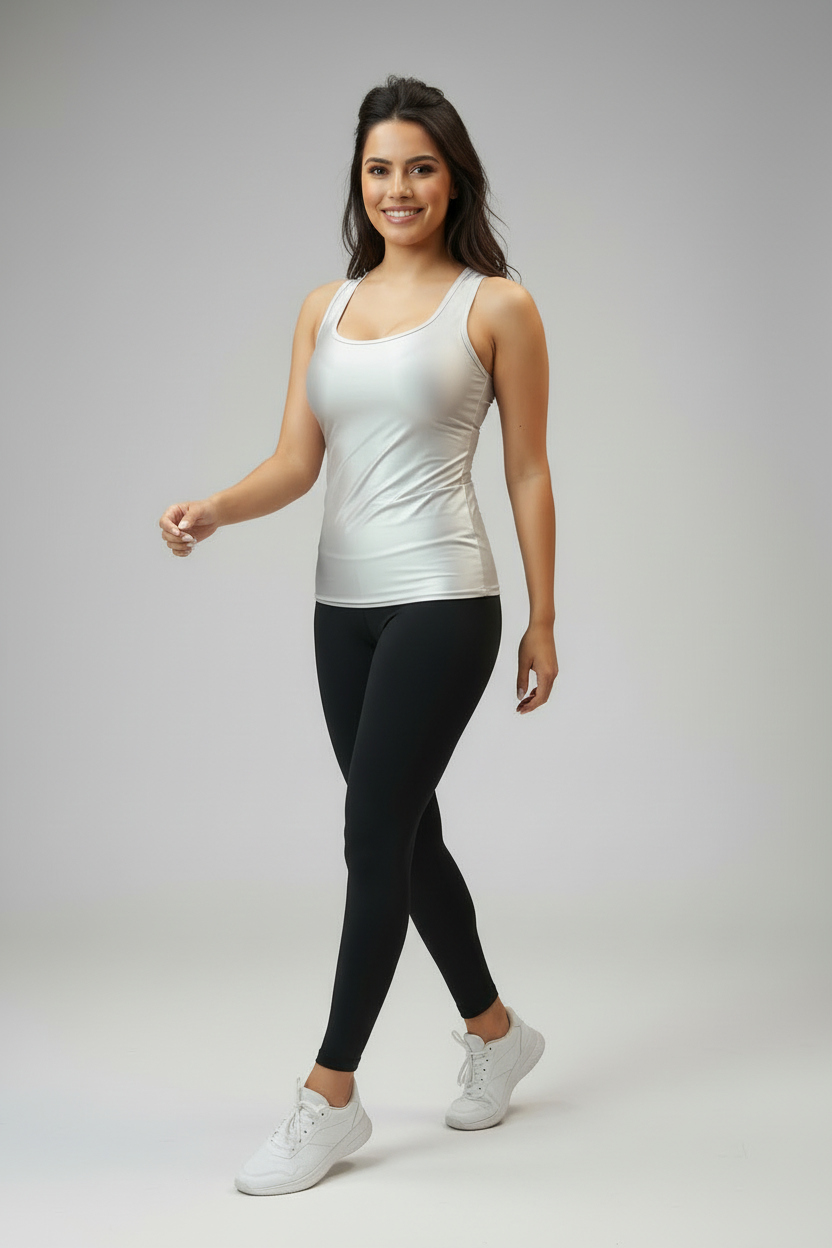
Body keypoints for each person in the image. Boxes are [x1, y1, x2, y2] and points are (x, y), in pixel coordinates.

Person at [158, 74, 558, 1196]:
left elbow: (528, 470)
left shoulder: (497, 306)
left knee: (369, 834)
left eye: (420, 167)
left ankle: (330, 1095)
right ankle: (496, 1034)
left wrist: (544, 618)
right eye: (380, 169)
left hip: (445, 599)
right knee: (405, 835)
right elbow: (298, 461)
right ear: (360, 181)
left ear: (454, 179)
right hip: (341, 609)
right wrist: (216, 508)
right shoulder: (322, 309)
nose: (399, 188)